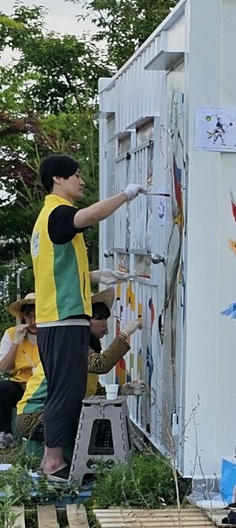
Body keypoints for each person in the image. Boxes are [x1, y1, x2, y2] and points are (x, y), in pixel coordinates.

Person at [29, 153, 144, 479]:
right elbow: (91, 214)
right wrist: (127, 195)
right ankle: (54, 463)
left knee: (63, 389)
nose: (81, 181)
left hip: (56, 318)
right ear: (57, 179)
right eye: (75, 175)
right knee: (66, 391)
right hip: (63, 319)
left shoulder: (45, 220)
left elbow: (55, 272)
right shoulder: (58, 214)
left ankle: (52, 461)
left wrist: (94, 276)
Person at [16, 288, 142, 463]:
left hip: (48, 413)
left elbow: (91, 390)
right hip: (32, 417)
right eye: (98, 318)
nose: (105, 323)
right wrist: (125, 334)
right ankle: (102, 467)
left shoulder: (83, 346)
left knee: (99, 421)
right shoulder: (72, 346)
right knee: (98, 424)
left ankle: (98, 467)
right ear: (83, 322)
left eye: (105, 318)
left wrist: (122, 389)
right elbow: (101, 364)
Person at [0, 294, 40, 448]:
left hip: (42, 385)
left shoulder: (51, 333)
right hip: (21, 384)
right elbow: (3, 367)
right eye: (29, 316)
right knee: (3, 387)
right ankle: (6, 433)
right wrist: (16, 343)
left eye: (37, 316)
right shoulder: (11, 333)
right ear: (23, 317)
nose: (33, 321)